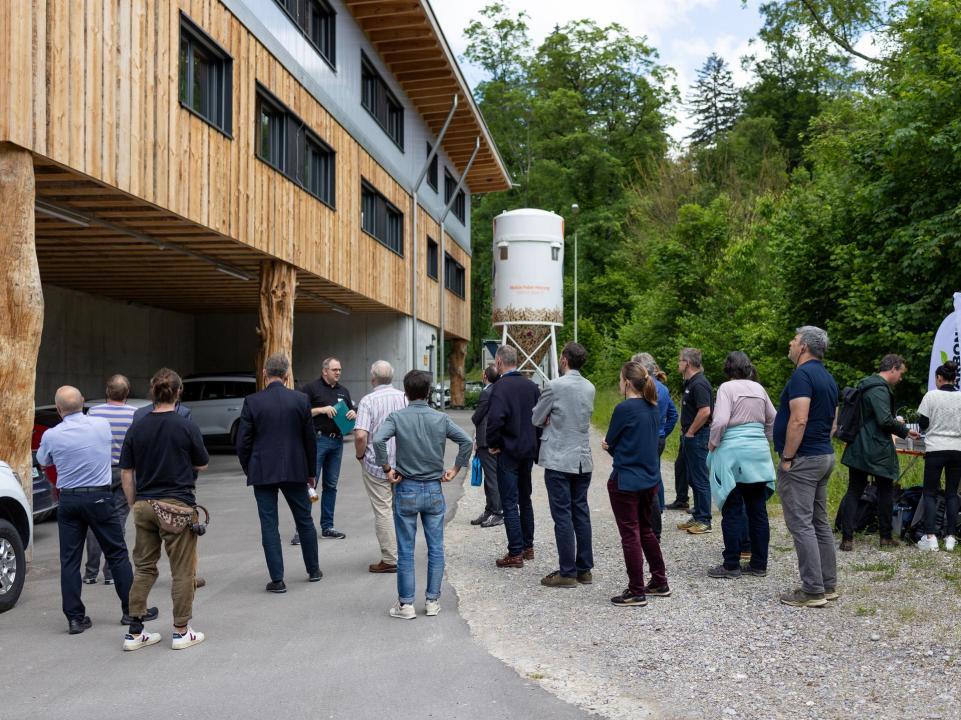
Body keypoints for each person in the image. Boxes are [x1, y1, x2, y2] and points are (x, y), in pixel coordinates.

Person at [36, 386, 145, 635]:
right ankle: (131, 611)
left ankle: (75, 618)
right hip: (99, 496)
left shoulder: (52, 435)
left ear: (58, 409)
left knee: (70, 561)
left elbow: (43, 461)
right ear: (83, 402)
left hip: (70, 500)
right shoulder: (101, 426)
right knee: (117, 553)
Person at [373, 370, 472, 619]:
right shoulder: (440, 418)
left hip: (406, 487)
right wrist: (455, 469)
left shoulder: (397, 417)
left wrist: (387, 468)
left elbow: (378, 440)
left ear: (406, 393)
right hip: (433, 488)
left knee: (406, 549)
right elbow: (466, 442)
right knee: (436, 547)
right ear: (429, 392)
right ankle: (432, 601)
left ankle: (405, 605)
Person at [119, 369, 207, 650]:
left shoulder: (138, 426)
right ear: (178, 392)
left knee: (143, 568)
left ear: (152, 393)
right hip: (177, 505)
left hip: (145, 503)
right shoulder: (185, 425)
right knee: (182, 570)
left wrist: (134, 502)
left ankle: (134, 632)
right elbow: (202, 463)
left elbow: (127, 472)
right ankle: (181, 631)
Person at [236, 353, 322, 592]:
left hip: (263, 469)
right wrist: (311, 471)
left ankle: (277, 579)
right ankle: (313, 569)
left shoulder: (253, 402)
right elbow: (309, 441)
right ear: (287, 375)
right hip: (296, 469)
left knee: (269, 524)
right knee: (304, 519)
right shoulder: (301, 400)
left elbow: (243, 443)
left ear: (265, 373)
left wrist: (249, 467)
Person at [773, 326, 839, 608]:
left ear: (804, 347)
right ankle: (827, 584)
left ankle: (812, 590)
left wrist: (788, 457)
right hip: (823, 455)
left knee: (801, 524)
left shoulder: (802, 375)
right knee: (818, 522)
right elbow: (833, 423)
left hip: (804, 459)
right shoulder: (828, 377)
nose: (790, 343)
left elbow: (798, 419)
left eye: (794, 340)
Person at [602, 362, 669, 607]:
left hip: (626, 480)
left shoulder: (625, 409)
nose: (619, 383)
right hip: (649, 479)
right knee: (646, 530)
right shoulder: (653, 406)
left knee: (630, 534)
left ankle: (636, 590)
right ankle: (659, 581)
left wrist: (609, 447)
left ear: (628, 382)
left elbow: (611, 442)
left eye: (621, 379)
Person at [705, 352, 777, 579]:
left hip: (733, 453)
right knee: (758, 510)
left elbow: (721, 421)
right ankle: (759, 564)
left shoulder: (727, 388)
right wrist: (764, 438)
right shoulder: (759, 389)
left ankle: (731, 565)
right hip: (758, 453)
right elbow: (773, 418)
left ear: (728, 368)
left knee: (733, 508)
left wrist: (713, 443)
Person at [839, 354, 920, 550]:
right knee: (884, 490)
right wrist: (904, 430)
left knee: (855, 490)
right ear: (892, 368)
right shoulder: (879, 389)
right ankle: (884, 537)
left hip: (859, 446)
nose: (900, 378)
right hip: (875, 448)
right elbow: (884, 420)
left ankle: (847, 538)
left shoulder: (866, 385)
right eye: (900, 373)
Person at [532, 342, 596, 588]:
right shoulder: (590, 387)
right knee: (581, 512)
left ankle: (567, 571)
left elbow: (537, 418)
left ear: (564, 359)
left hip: (559, 458)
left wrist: (549, 418)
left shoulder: (554, 386)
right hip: (582, 459)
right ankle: (584, 568)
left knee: (562, 516)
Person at [485, 345, 541, 568]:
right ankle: (528, 547)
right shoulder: (532, 386)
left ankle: (515, 552)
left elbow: (495, 421)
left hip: (508, 451)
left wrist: (494, 444)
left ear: (499, 362)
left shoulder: (500, 387)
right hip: (527, 450)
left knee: (509, 501)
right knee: (524, 498)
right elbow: (540, 419)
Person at [353, 360, 408, 573]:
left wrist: (360, 456)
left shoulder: (368, 401)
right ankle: (404, 552)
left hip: (377, 466)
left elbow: (360, 435)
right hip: (403, 464)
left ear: (372, 378)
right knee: (401, 510)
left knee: (383, 510)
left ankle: (390, 558)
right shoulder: (404, 397)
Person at [83, 374, 138, 586]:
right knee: (118, 520)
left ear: (107, 391)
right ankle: (111, 572)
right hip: (125, 472)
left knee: (94, 521)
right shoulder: (135, 414)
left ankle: (90, 573)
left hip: (99, 473)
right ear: (128, 393)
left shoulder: (94, 413)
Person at [294, 357, 355, 543]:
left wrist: (354, 414)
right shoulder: (311, 389)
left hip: (337, 442)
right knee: (310, 484)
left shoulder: (343, 391)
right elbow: (300, 411)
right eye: (335, 369)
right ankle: (301, 530)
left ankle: (327, 527)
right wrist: (321, 409)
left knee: (331, 486)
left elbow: (349, 416)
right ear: (324, 371)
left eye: (340, 370)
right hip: (317, 441)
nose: (338, 372)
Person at [915, 361, 961, 551]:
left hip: (935, 449)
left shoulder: (931, 396)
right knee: (952, 493)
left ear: (939, 378)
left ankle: (931, 537)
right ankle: (950, 537)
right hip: (957, 449)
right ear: (955, 378)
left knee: (930, 493)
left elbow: (923, 423)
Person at [632, 352, 678, 539]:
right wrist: (663, 433)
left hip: (645, 437)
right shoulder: (664, 389)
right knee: (655, 473)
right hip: (658, 438)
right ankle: (658, 510)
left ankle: (650, 517)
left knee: (645, 476)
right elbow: (673, 414)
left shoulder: (643, 389)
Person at [674, 348, 714, 535]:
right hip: (689, 436)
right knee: (691, 476)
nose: (678, 364)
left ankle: (705, 519)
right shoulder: (690, 383)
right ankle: (697, 514)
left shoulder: (700, 384)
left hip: (697, 437)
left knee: (700, 478)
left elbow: (705, 411)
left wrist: (690, 432)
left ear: (687, 363)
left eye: (680, 360)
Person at [469, 365, 504, 528]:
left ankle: (496, 512)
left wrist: (474, 418)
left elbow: (478, 416)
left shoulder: (487, 392)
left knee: (491, 478)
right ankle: (490, 510)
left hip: (486, 440)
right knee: (493, 476)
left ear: (485, 377)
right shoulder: (501, 390)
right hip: (497, 439)